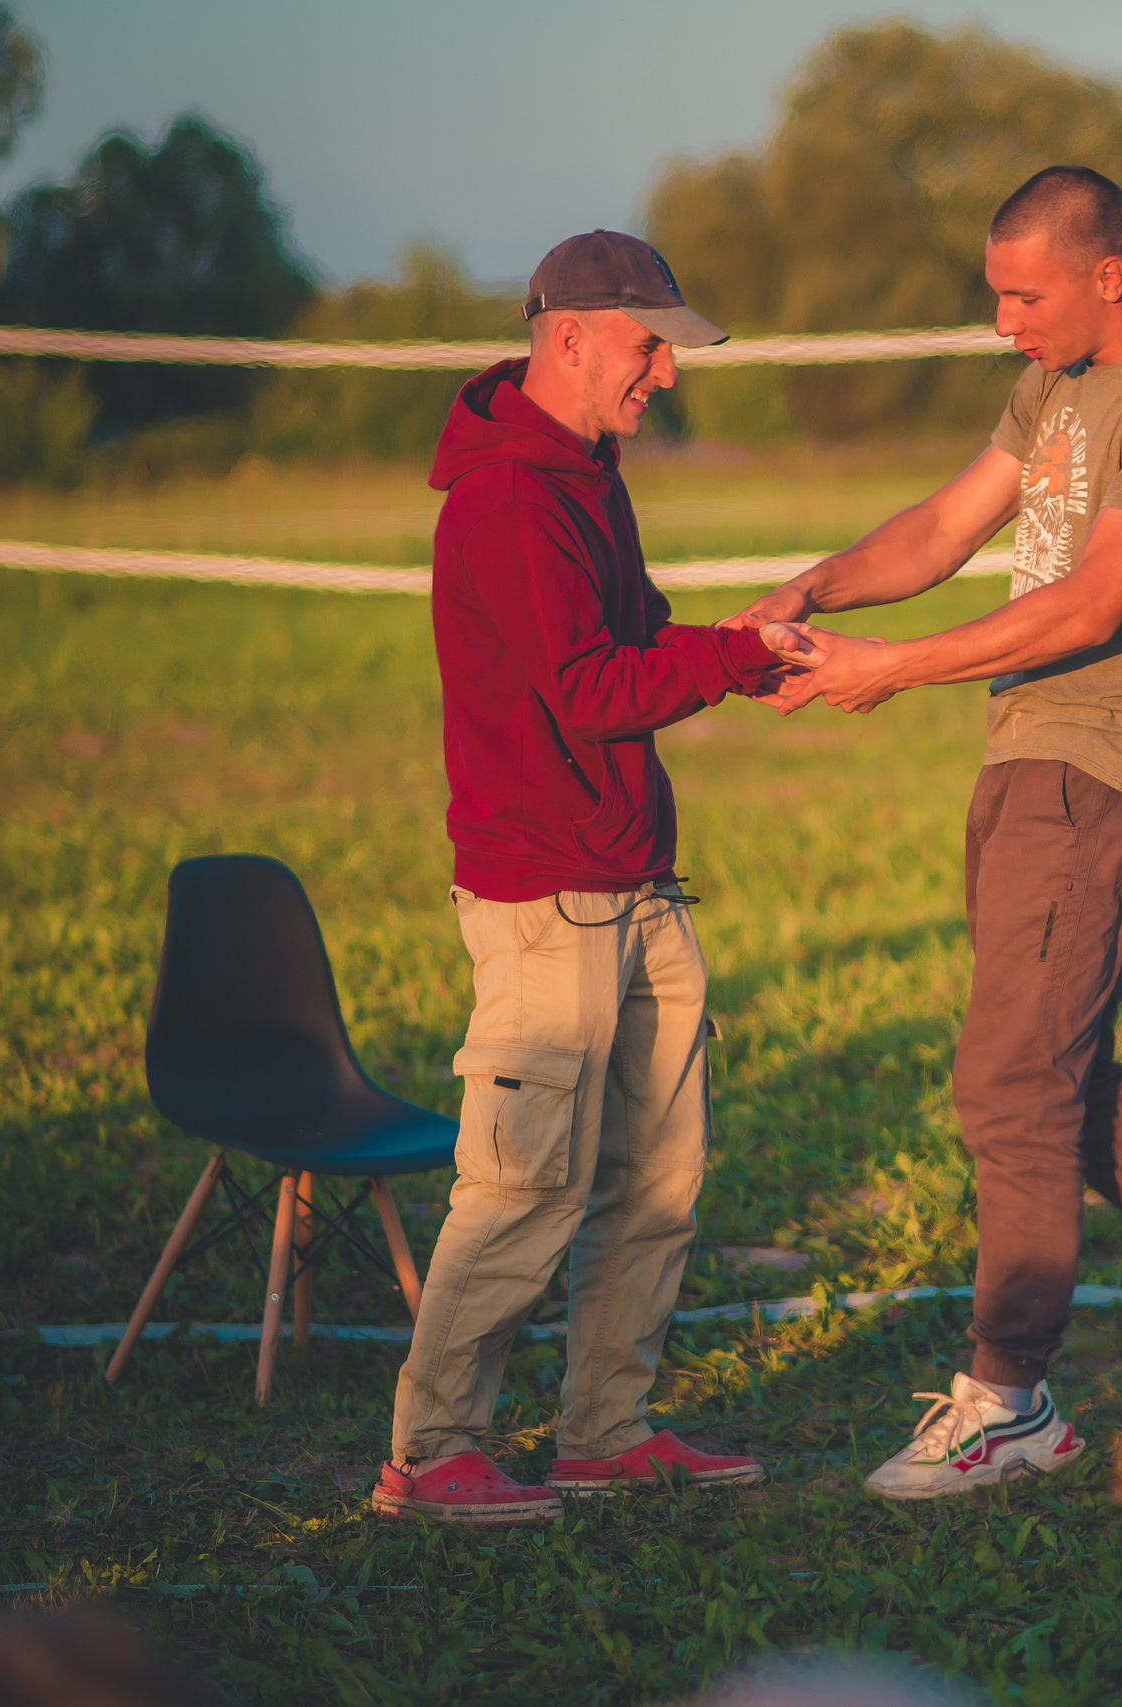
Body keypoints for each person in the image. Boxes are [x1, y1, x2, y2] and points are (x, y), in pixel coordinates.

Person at [727, 166, 1122, 1501]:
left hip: (1103, 764)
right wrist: (813, 585)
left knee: (1008, 1087)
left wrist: (888, 669)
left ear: (1105, 275)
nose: (1006, 322)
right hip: (1032, 758)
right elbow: (953, 524)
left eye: (1024, 296)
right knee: (1050, 1067)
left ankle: (1008, 1398)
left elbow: (1093, 607)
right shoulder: (1060, 384)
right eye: (998, 296)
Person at [373, 230, 781, 1524]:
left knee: (660, 1177)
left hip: (636, 879)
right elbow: (592, 693)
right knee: (522, 1185)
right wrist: (730, 661)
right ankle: (432, 1454)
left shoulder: (586, 473)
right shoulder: (509, 499)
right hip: (545, 900)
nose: (665, 370)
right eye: (649, 342)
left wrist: (754, 645)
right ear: (569, 338)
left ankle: (606, 1431)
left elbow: (637, 631)